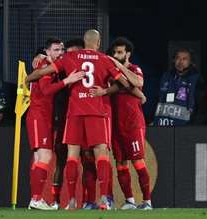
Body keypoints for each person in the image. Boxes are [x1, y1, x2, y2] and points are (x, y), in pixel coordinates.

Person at [26, 29, 133, 210]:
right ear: (98, 43)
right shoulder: (104, 59)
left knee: (71, 157)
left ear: (84, 42)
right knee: (101, 156)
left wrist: (29, 77)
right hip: (97, 112)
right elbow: (126, 84)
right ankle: (105, 199)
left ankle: (71, 202)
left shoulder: (71, 57)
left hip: (74, 112)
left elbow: (42, 72)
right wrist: (105, 91)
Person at [90, 37, 151, 210]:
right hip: (115, 124)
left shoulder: (134, 69)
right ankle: (130, 201)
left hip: (133, 123)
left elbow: (137, 84)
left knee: (138, 161)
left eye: (120, 52)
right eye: (114, 52)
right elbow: (121, 85)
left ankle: (147, 201)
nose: (116, 55)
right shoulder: (110, 72)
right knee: (121, 163)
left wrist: (120, 67)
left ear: (128, 54)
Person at [26, 38, 84, 210]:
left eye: (62, 50)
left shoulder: (51, 65)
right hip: (39, 116)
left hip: (43, 116)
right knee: (45, 157)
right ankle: (36, 199)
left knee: (39, 159)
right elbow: (45, 90)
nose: (60, 53)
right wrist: (68, 80)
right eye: (56, 50)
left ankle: (35, 199)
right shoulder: (45, 65)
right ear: (47, 51)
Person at [153, 48, 207, 126]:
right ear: (174, 60)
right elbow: (157, 99)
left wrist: (194, 127)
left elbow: (202, 108)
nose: (180, 61)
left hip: (184, 129)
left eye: (184, 59)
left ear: (191, 62)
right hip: (162, 126)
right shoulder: (166, 76)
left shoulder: (196, 79)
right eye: (178, 58)